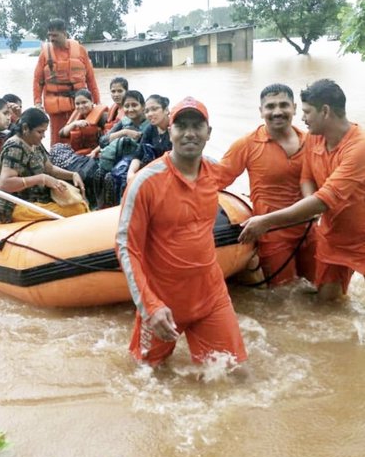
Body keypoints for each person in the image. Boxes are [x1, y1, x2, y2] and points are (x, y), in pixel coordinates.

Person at [116, 96, 247, 368]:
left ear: (208, 133)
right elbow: (127, 247)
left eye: (197, 126)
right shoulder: (145, 182)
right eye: (181, 126)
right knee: (146, 377)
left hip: (211, 295)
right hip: (163, 299)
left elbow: (244, 162)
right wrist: (149, 306)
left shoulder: (214, 172)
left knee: (231, 374)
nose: (189, 133)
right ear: (170, 131)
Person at [238, 79, 365, 301]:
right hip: (330, 235)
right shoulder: (314, 138)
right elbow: (307, 177)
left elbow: (324, 199)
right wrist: (312, 209)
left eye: (306, 112)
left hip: (361, 237)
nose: (302, 118)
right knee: (327, 304)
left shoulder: (359, 147)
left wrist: (265, 221)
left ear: (324, 111)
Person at [219, 83, 316, 286]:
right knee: (282, 296)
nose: (277, 112)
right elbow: (216, 180)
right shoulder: (246, 144)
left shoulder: (313, 141)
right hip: (272, 234)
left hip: (310, 230)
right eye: (270, 106)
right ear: (261, 111)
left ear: (295, 108)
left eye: (284, 105)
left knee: (323, 292)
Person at [0, 107, 87, 223]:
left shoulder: (34, 143)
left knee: (79, 203)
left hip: (38, 200)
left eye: (44, 132)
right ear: (25, 129)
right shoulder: (15, 148)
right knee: (78, 209)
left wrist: (73, 175)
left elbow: (50, 169)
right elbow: (5, 184)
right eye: (40, 132)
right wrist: (41, 179)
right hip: (17, 206)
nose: (43, 136)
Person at [33, 18, 100, 146]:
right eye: (49, 35)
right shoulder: (45, 54)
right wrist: (37, 103)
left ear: (64, 33)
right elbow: (37, 80)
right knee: (57, 139)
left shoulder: (80, 50)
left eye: (55, 35)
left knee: (80, 136)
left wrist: (97, 102)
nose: (51, 39)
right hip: (56, 107)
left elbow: (90, 79)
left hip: (79, 106)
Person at [127, 94, 171, 183]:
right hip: (153, 171)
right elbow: (139, 154)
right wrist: (130, 173)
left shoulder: (175, 129)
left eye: (154, 109)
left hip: (169, 175)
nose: (150, 114)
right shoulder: (151, 128)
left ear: (166, 110)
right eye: (146, 111)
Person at [58, 89, 108, 156]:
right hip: (82, 152)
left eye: (84, 102)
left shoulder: (103, 116)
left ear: (91, 102)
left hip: (99, 152)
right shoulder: (77, 117)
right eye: (77, 104)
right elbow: (61, 134)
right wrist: (74, 124)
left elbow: (110, 137)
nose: (81, 106)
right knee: (57, 148)